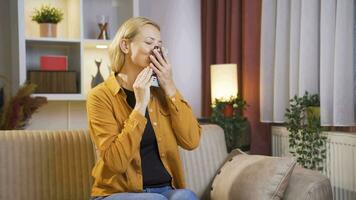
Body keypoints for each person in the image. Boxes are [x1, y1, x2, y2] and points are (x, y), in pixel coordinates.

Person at [86, 17, 202, 200]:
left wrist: (170, 86)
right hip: (117, 193)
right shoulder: (100, 96)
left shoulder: (162, 92)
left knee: (186, 196)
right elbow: (115, 163)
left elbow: (192, 141)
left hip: (165, 190)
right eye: (149, 42)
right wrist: (140, 106)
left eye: (160, 45)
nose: (156, 50)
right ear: (125, 46)